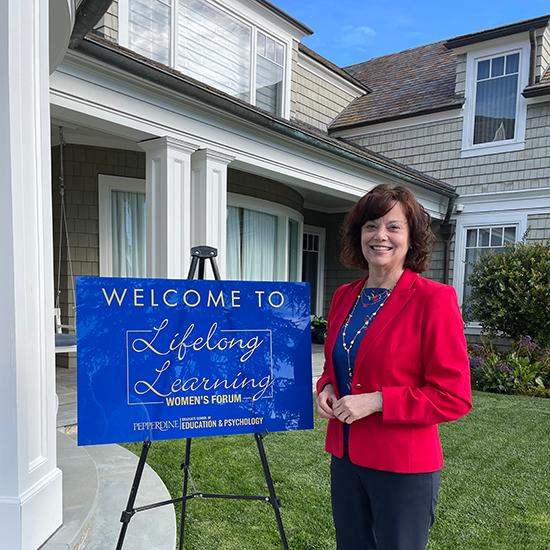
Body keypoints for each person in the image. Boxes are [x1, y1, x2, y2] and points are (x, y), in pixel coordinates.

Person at [315, 184, 472, 550]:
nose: (380, 235)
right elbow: (338, 363)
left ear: (411, 237)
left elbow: (454, 397)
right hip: (346, 458)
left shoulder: (434, 300)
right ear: (359, 234)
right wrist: (326, 388)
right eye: (370, 225)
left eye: (393, 226)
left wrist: (377, 401)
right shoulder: (344, 296)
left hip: (403, 467)